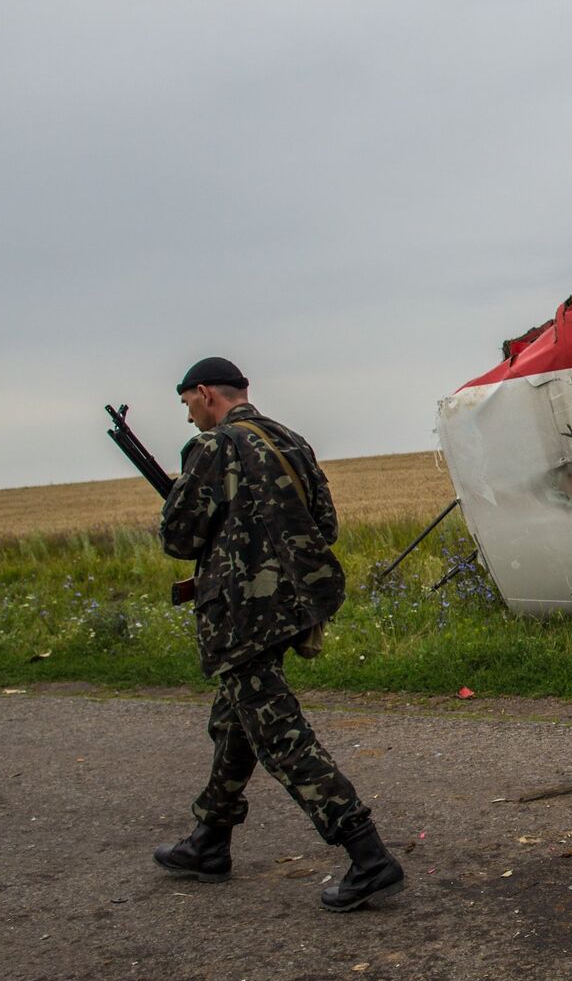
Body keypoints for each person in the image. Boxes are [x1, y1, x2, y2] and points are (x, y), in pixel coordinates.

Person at [150, 356, 405, 912]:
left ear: (203, 393)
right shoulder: (290, 440)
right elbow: (326, 525)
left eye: (188, 403)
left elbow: (177, 537)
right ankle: (209, 840)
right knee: (237, 719)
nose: (189, 414)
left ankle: (368, 856)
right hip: (295, 605)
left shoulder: (213, 449)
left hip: (241, 616)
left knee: (280, 735)